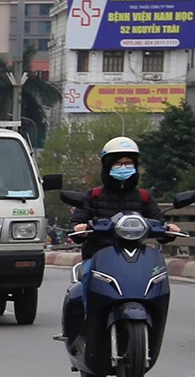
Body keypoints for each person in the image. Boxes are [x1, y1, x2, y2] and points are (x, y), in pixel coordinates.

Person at [65, 135, 181, 341]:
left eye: (128, 163)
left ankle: (153, 321)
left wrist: (169, 229)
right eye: (118, 163)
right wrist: (79, 227)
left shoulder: (144, 196)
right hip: (100, 255)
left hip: (135, 256)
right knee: (89, 276)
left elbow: (158, 221)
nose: (123, 167)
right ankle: (88, 322)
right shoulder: (93, 196)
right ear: (107, 166)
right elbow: (77, 222)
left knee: (157, 281)